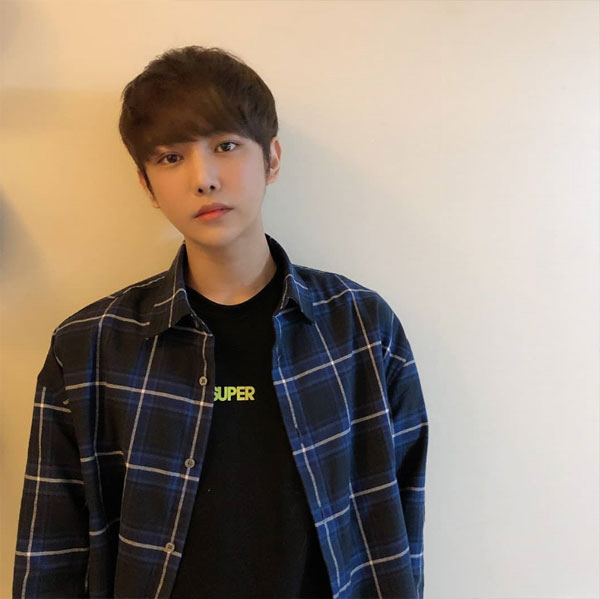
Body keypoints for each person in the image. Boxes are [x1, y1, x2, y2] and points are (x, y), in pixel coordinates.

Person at [12, 45, 429, 599]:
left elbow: (397, 531)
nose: (203, 178)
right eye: (170, 158)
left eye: (226, 146)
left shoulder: (361, 329)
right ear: (146, 185)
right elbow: (50, 556)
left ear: (272, 158)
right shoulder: (89, 349)